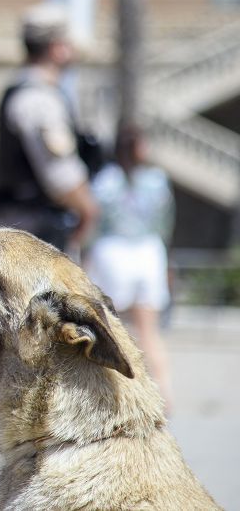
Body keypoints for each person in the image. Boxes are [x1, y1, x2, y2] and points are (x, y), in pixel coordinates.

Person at [0, 3, 99, 255]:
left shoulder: (27, 92)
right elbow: (60, 175)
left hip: (29, 227)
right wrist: (88, 211)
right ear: (57, 48)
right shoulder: (38, 100)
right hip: (37, 232)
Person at [85, 125, 175, 411]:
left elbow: (95, 223)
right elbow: (165, 222)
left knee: (113, 329)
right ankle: (163, 393)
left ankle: (122, 394)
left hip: (113, 252)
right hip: (148, 251)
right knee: (150, 330)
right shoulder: (157, 180)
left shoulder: (105, 180)